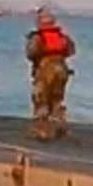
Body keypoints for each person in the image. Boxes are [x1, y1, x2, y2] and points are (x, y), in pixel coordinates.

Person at [24, 8, 75, 141]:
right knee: (57, 98)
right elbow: (71, 50)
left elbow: (31, 54)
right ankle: (60, 126)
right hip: (62, 68)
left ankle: (42, 130)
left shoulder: (37, 37)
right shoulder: (62, 36)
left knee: (41, 99)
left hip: (45, 69)